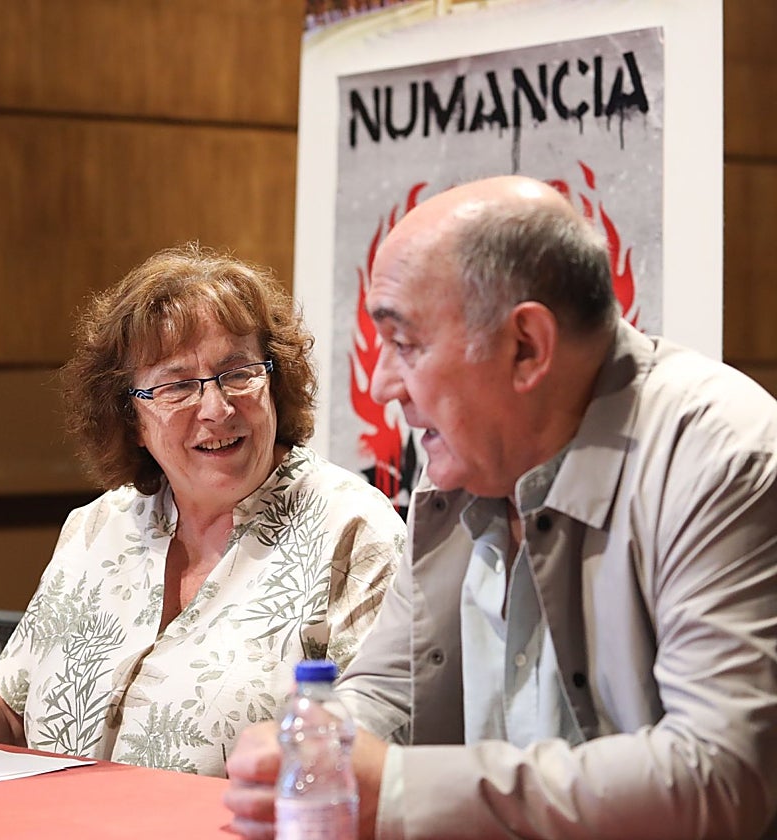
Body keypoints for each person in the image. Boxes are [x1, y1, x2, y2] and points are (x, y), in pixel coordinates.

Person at [224, 176, 777, 839]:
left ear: (526, 348)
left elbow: (723, 774)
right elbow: (388, 693)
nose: (381, 384)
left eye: (405, 345)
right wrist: (316, 745)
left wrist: (397, 790)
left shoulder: (721, 457)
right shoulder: (469, 461)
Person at [0, 243, 406, 776]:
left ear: (274, 383)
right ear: (131, 418)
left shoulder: (354, 533)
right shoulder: (99, 526)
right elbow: (10, 708)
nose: (217, 408)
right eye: (177, 386)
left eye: (238, 373)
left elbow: (373, 756)